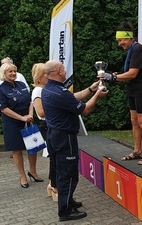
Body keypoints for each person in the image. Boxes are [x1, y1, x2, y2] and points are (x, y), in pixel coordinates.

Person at [42, 59, 108, 221]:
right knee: (69, 174)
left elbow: (71, 98)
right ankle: (65, 211)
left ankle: (68, 200)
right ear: (58, 71)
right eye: (63, 68)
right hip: (65, 138)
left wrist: (89, 89)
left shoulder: (49, 89)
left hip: (53, 135)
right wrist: (98, 94)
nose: (65, 70)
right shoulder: (60, 92)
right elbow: (84, 109)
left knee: (60, 170)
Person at [98, 21, 142, 165]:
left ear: (129, 38)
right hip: (133, 89)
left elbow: (132, 74)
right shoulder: (132, 50)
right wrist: (117, 75)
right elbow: (130, 73)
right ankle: (137, 151)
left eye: (121, 40)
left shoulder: (138, 49)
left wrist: (113, 77)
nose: (119, 44)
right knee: (134, 121)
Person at [0, 62, 43, 188]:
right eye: (10, 71)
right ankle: (22, 176)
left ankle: (33, 172)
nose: (13, 73)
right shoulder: (0, 90)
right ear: (3, 74)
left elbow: (30, 101)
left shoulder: (21, 85)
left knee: (33, 147)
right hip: (12, 122)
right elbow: (3, 108)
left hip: (28, 119)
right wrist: (21, 117)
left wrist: (30, 114)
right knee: (17, 149)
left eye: (14, 71)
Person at [31, 63, 58, 201]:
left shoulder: (46, 89)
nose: (48, 77)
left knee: (55, 158)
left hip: (52, 124)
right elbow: (41, 112)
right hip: (47, 125)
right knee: (55, 158)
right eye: (45, 74)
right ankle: (53, 185)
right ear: (40, 77)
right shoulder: (38, 91)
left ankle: (51, 184)